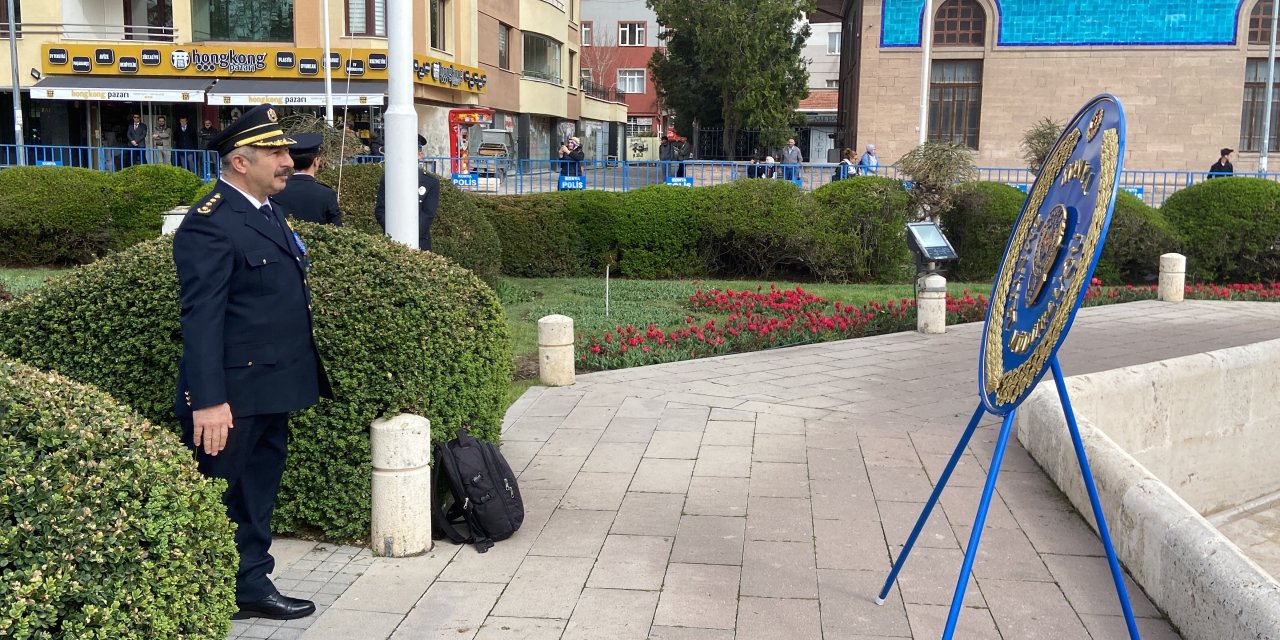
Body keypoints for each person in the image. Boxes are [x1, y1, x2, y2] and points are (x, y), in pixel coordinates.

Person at [171, 103, 331, 622]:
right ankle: (203, 590)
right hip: (233, 397)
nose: (288, 160)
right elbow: (202, 321)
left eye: (286, 151)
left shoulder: (268, 212)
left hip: (272, 387)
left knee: (257, 492)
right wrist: (210, 402)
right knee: (219, 495)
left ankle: (249, 585)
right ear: (241, 162)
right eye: (276, 152)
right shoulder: (210, 224)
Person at [375, 134, 440, 250]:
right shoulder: (389, 178)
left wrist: (408, 237)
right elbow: (380, 210)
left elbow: (427, 214)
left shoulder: (430, 182)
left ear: (419, 155)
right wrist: (394, 233)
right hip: (392, 241)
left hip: (419, 242)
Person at [274, 133, 343, 226]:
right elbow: (337, 230)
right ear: (316, 161)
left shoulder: (276, 191)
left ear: (292, 161)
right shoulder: (326, 194)